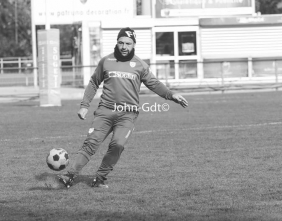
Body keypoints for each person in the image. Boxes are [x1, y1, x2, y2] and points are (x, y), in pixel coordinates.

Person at [57, 27, 188, 189]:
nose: (124, 47)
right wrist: (84, 105)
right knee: (91, 144)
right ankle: (69, 176)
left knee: (117, 145)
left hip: (127, 114)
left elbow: (154, 84)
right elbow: (93, 83)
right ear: (117, 43)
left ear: (133, 45)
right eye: (121, 43)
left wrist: (170, 95)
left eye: (128, 43)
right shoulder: (106, 61)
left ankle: (99, 179)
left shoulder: (140, 65)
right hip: (105, 111)